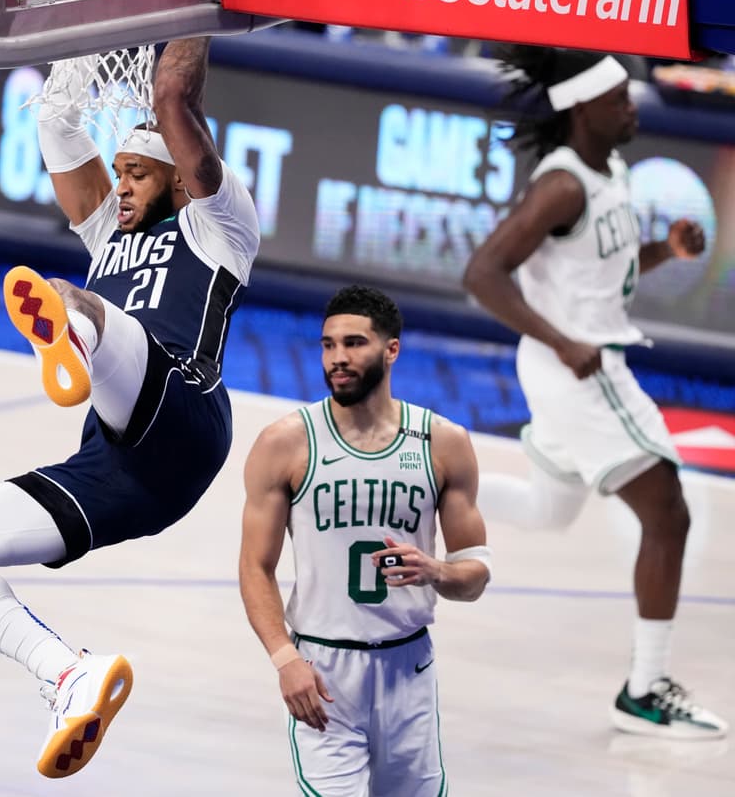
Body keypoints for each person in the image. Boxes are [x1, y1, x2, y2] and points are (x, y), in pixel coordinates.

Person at [0, 30, 261, 778]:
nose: (120, 186)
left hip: (185, 414)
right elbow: (57, 121)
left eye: (138, 173)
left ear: (180, 179)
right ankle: (69, 674)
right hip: (120, 466)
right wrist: (90, 24)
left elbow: (174, 96)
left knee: (74, 298)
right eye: (117, 173)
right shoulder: (106, 232)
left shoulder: (220, 225)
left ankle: (70, 336)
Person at [463, 46, 727, 739]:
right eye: (619, 100)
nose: (632, 109)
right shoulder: (562, 185)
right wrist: (562, 342)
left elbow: (602, 269)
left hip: (572, 362)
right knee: (668, 513)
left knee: (548, 510)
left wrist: (666, 250)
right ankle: (644, 691)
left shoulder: (611, 170)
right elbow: (483, 273)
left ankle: (420, 483)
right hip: (578, 369)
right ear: (582, 108)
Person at [237, 285, 491, 796]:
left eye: (354, 343)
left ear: (391, 350)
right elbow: (255, 567)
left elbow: (475, 576)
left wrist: (436, 571)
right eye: (328, 345)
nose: (338, 358)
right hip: (321, 670)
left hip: (408, 667)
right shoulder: (285, 442)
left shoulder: (443, 443)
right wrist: (285, 659)